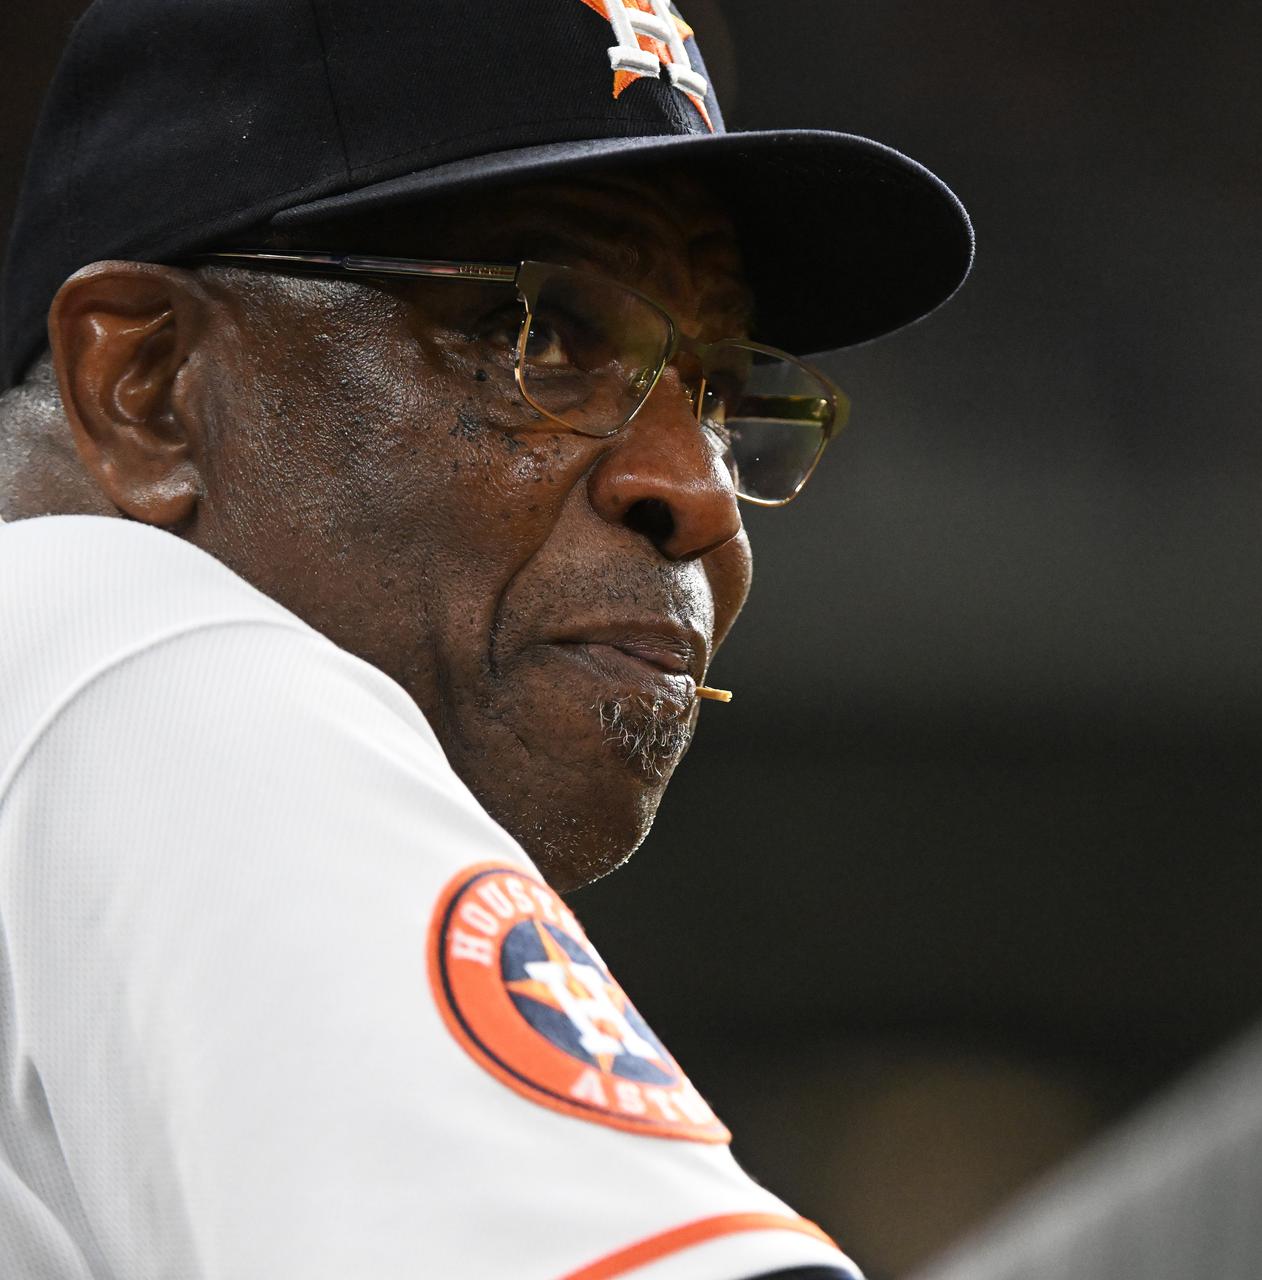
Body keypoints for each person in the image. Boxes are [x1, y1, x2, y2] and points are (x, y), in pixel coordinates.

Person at [0, 1, 971, 1276]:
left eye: (723, 396)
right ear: (150, 386)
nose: (702, 492)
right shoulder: (129, 654)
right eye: (544, 335)